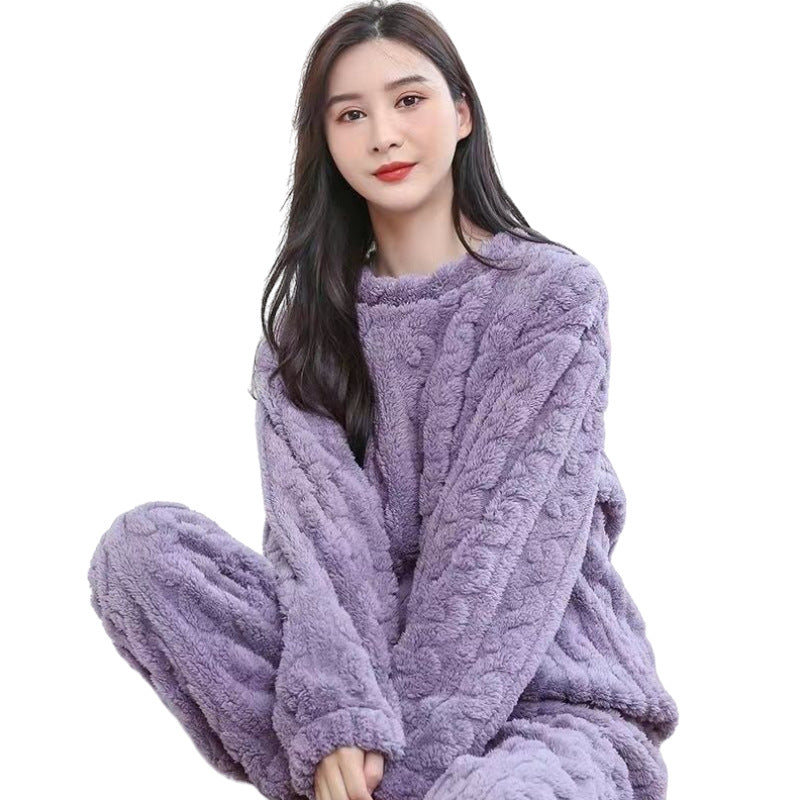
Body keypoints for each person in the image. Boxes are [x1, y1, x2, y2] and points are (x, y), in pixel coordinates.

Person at [87, 3, 679, 800]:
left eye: (408, 100)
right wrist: (339, 719)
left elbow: (493, 559)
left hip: (549, 699)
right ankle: (340, 766)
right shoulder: (301, 339)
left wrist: (394, 773)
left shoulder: (552, 298)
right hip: (364, 703)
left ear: (461, 113)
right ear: (326, 143)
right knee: (141, 554)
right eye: (351, 115)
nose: (384, 136)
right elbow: (322, 556)